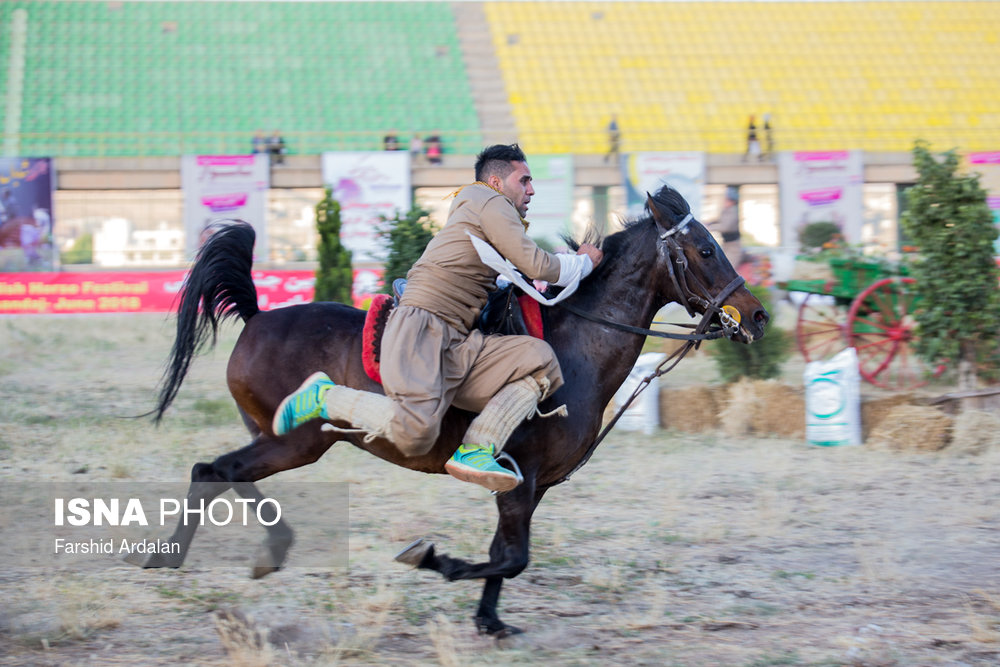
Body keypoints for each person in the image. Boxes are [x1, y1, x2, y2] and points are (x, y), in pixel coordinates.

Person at [273, 144, 603, 492]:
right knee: (416, 436)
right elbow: (537, 266)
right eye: (524, 181)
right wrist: (583, 263)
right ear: (495, 181)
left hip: (456, 338)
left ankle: (476, 449)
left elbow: (519, 273)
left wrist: (565, 264)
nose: (531, 189)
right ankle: (324, 397)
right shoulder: (488, 201)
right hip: (424, 326)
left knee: (540, 362)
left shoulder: (483, 209)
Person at [712, 186, 743, 265]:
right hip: (727, 243)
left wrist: (710, 227)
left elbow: (725, 227)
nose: (725, 201)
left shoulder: (732, 211)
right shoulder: (726, 210)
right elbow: (719, 220)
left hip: (733, 246)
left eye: (727, 199)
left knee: (730, 265)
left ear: (732, 201)